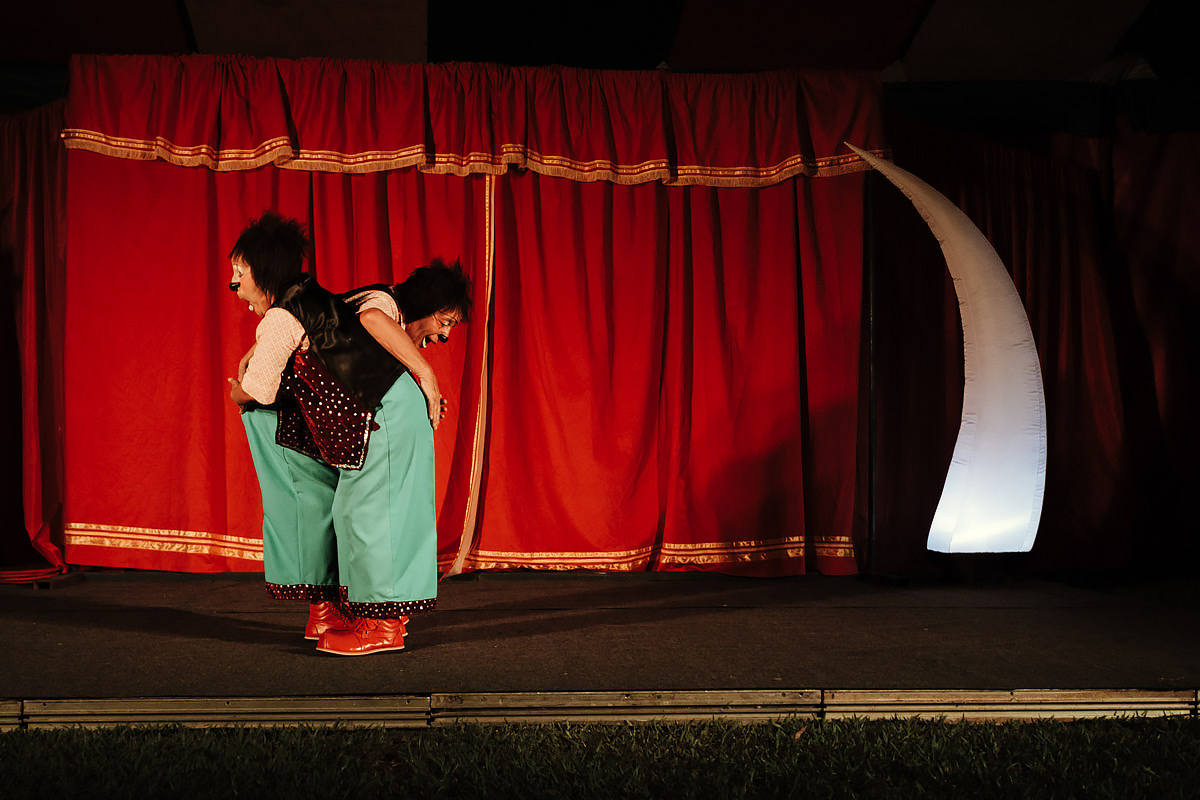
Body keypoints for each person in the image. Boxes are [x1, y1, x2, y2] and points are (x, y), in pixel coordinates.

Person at [226, 211, 471, 656]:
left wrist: (237, 390)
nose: (234, 285)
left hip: (383, 411)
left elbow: (259, 390)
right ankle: (348, 612)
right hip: (372, 412)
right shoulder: (311, 300)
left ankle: (382, 626)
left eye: (239, 273)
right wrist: (256, 350)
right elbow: (301, 328)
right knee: (351, 510)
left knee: (373, 514)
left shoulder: (362, 305)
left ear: (262, 272)